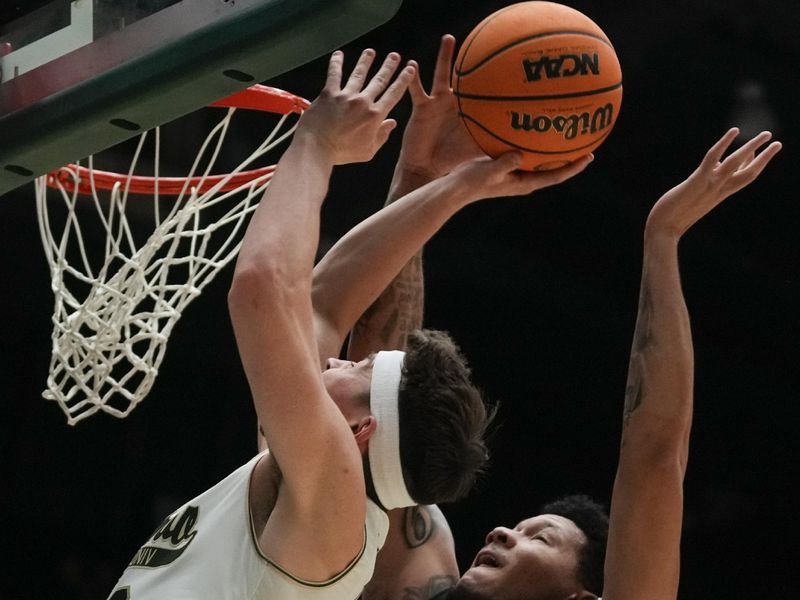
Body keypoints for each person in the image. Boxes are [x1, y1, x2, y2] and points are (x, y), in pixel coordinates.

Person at [107, 43, 593, 599]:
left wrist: (316, 142)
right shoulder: (309, 472)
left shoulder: (332, 502)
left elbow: (263, 290)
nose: (338, 357)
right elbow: (322, 303)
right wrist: (456, 184)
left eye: (358, 371)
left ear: (361, 431)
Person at [360, 123, 782, 600]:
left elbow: (655, 453)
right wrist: (417, 182)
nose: (500, 532)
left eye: (537, 537)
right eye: (524, 530)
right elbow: (381, 398)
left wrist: (664, 234)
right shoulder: (416, 572)